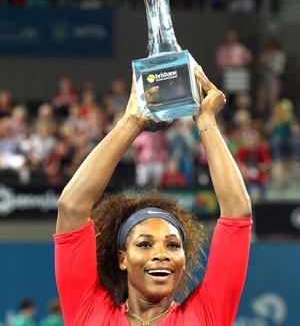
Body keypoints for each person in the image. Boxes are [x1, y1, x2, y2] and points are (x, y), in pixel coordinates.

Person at [54, 67, 252, 325]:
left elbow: (238, 211)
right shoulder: (89, 313)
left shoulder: (206, 315)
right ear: (122, 259)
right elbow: (71, 206)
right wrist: (132, 122)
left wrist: (206, 119)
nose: (161, 254)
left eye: (172, 245)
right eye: (145, 244)